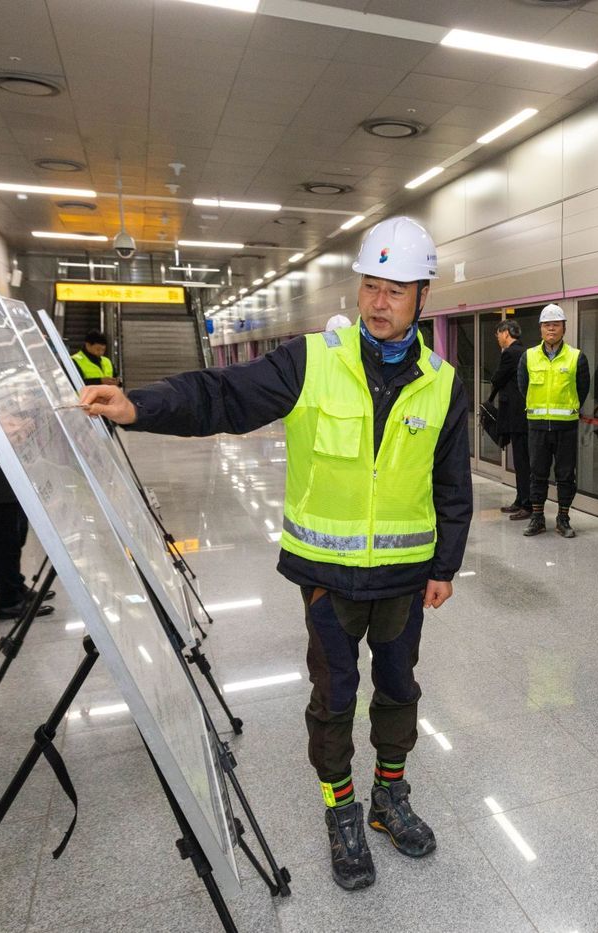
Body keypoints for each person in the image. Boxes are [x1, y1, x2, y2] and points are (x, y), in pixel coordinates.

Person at [79, 216, 473, 893]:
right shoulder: (310, 358)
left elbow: (452, 483)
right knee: (334, 694)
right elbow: (222, 395)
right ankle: (340, 808)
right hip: (327, 576)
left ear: (422, 296)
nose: (379, 302)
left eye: (396, 290)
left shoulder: (443, 381)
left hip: (406, 578)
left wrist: (444, 565)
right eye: (371, 286)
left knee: (399, 688)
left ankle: (389, 796)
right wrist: (141, 405)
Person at [0, 415, 54, 621]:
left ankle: (16, 584)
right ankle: (8, 601)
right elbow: (1, 428)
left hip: (11, 472)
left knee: (17, 534)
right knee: (4, 539)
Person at [518, 303, 590, 539]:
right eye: (547, 325)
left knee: (566, 475)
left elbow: (582, 389)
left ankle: (563, 518)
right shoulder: (528, 356)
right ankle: (537, 518)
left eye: (555, 324)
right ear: (540, 329)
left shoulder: (576, 357)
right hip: (537, 425)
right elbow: (523, 387)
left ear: (564, 328)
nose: (551, 329)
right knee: (537, 473)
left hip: (565, 427)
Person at [488, 319, 531, 518]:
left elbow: (497, 378)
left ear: (505, 333)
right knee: (522, 461)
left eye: (498, 334)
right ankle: (521, 499)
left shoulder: (512, 353)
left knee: (522, 461)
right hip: (521, 414)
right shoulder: (524, 351)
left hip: (517, 415)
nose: (497, 339)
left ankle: (526, 503)